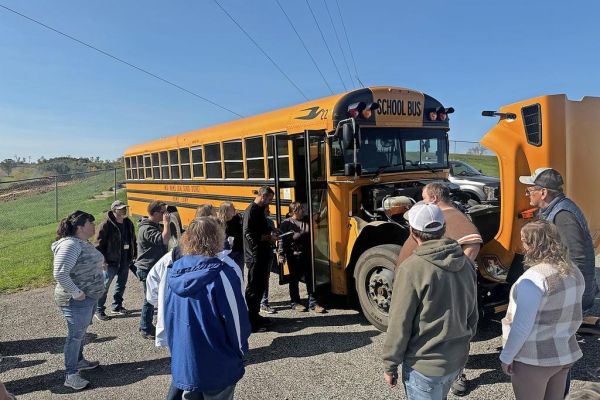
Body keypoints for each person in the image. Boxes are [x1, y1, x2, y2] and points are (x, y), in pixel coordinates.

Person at [383, 203, 478, 400]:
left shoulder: (412, 268)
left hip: (424, 366)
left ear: (412, 232)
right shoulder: (466, 263)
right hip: (456, 360)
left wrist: (390, 363)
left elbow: (399, 322)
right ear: (444, 228)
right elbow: (472, 313)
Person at [164, 216, 251, 400]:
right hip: (217, 362)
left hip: (185, 361)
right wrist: (241, 351)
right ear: (217, 238)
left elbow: (168, 317)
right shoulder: (222, 274)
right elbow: (236, 322)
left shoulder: (172, 272)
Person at [500, 220, 584, 400]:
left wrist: (506, 356)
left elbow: (522, 326)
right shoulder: (574, 271)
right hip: (564, 352)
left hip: (535, 358)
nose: (522, 245)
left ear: (532, 245)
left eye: (523, 240)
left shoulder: (533, 278)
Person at [519, 168, 599, 335]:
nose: (527, 194)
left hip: (572, 288)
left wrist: (573, 295)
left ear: (543, 192)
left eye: (529, 190)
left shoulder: (563, 215)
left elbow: (579, 257)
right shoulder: (553, 209)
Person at [52, 210, 105, 390]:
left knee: (81, 333)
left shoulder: (81, 242)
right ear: (81, 227)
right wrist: (76, 292)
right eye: (91, 223)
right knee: (75, 336)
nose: (94, 226)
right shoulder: (70, 245)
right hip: (76, 300)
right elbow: (60, 272)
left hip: (87, 297)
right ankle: (71, 374)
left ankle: (79, 361)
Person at [277, 202, 325, 313]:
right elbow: (281, 240)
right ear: (294, 211)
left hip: (307, 254)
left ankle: (313, 302)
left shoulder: (306, 219)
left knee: (310, 278)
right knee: (294, 279)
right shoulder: (287, 223)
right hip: (294, 256)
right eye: (301, 209)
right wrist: (281, 254)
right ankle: (295, 302)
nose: (303, 211)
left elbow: (319, 216)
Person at [94, 200, 137, 321]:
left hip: (125, 259)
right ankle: (99, 309)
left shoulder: (128, 222)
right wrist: (102, 261)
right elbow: (98, 245)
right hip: (110, 261)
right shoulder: (106, 225)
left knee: (121, 285)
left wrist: (134, 255)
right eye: (121, 208)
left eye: (125, 208)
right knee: (104, 286)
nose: (124, 210)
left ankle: (117, 306)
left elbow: (133, 240)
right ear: (114, 210)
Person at [134, 200, 170, 339]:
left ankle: (145, 324)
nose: (165, 215)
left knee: (151, 299)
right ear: (154, 213)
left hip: (153, 267)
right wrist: (166, 223)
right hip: (147, 269)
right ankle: (145, 328)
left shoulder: (153, 225)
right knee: (149, 300)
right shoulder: (147, 228)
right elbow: (164, 240)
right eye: (163, 212)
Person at [243, 186, 276, 332]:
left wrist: (271, 232)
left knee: (261, 285)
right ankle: (251, 322)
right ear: (263, 196)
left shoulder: (260, 210)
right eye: (269, 199)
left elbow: (260, 229)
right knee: (253, 289)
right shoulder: (252, 211)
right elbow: (249, 234)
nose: (270, 202)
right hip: (254, 256)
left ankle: (256, 315)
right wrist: (268, 237)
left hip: (262, 253)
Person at [260, 206, 278, 314]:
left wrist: (274, 237)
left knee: (266, 278)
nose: (269, 212)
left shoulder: (270, 222)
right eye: (267, 211)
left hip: (269, 252)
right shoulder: (255, 223)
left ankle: (264, 302)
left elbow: (273, 238)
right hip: (258, 254)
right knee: (259, 279)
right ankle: (262, 302)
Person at [217, 202, 244, 270]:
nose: (234, 209)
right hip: (227, 251)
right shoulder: (219, 222)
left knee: (239, 270)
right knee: (228, 270)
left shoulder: (237, 218)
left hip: (239, 249)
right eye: (232, 208)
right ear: (225, 211)